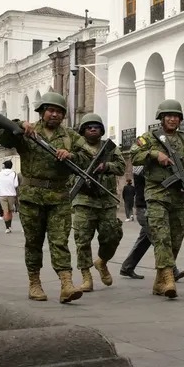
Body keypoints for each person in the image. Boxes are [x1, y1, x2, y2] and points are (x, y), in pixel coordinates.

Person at [0, 91, 89, 304]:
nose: (54, 115)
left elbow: (86, 159)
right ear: (42, 112)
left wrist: (70, 155)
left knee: (60, 242)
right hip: (32, 197)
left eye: (59, 112)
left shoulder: (71, 136)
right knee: (34, 242)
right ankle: (34, 283)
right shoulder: (29, 131)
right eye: (50, 110)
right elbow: (2, 137)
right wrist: (19, 125)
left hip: (59, 197)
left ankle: (66, 284)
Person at [131, 99, 184, 299]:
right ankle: (169, 279)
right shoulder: (149, 137)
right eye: (168, 116)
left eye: (176, 116)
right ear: (161, 118)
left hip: (179, 196)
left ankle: (160, 280)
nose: (172, 119)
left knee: (176, 239)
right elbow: (134, 156)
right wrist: (154, 154)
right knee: (161, 237)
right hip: (157, 193)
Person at [71, 113, 126, 292]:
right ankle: (86, 275)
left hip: (106, 200)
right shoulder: (76, 148)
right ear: (83, 131)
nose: (93, 129)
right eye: (89, 127)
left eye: (96, 127)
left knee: (112, 236)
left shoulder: (109, 149)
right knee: (82, 240)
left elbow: (121, 167)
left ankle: (102, 261)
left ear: (101, 130)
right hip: (83, 201)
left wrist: (106, 166)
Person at [119, 164, 184, 282]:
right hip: (145, 208)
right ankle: (172, 270)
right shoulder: (142, 167)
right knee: (160, 239)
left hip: (149, 207)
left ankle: (127, 267)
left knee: (144, 241)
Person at [0, 160, 19, 234]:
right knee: (10, 210)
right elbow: (16, 184)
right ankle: (9, 225)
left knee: (5, 211)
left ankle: (7, 227)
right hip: (11, 194)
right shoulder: (14, 173)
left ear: (4, 166)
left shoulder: (0, 173)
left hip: (2, 194)